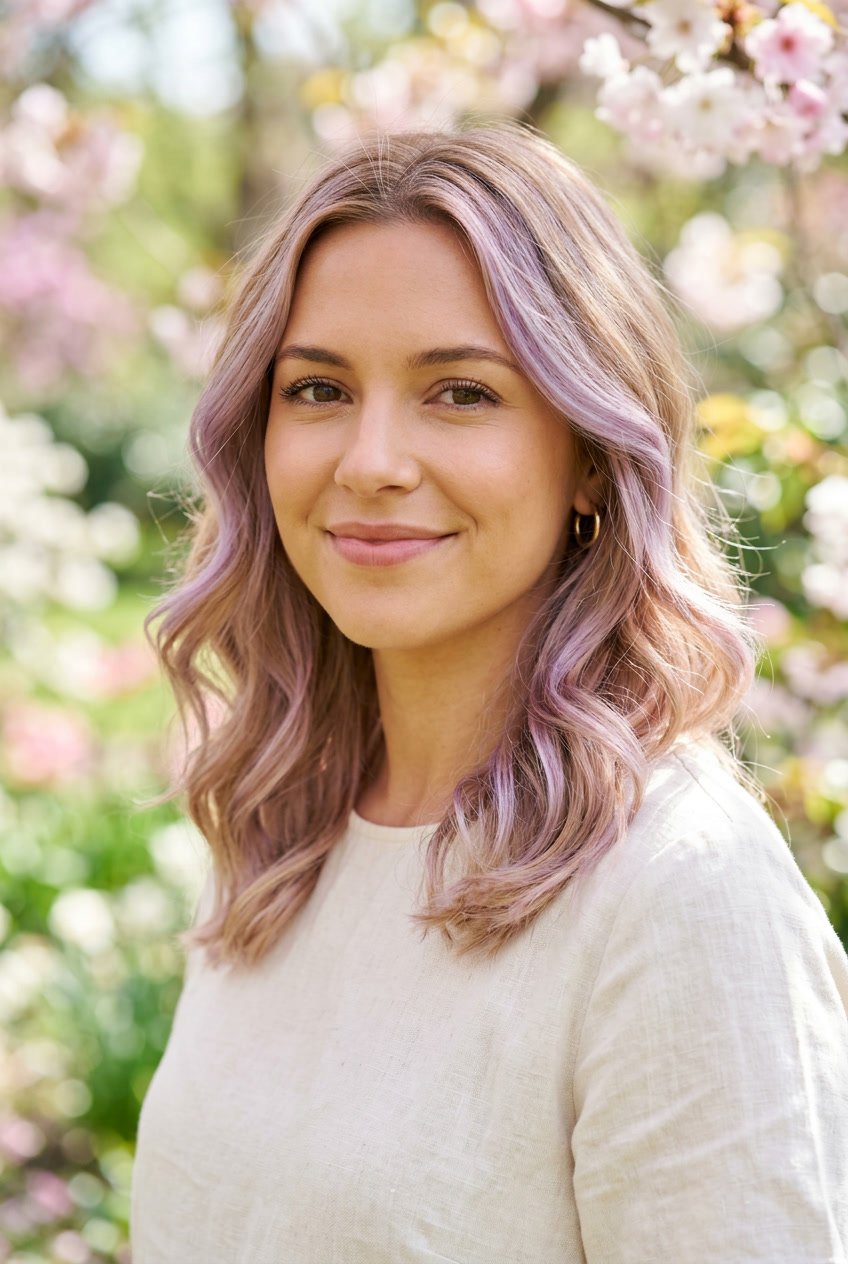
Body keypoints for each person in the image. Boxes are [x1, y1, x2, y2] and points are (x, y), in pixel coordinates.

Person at [129, 121, 848, 1263]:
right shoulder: (280, 832)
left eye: (459, 393)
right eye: (316, 388)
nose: (368, 460)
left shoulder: (676, 893)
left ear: (589, 458)